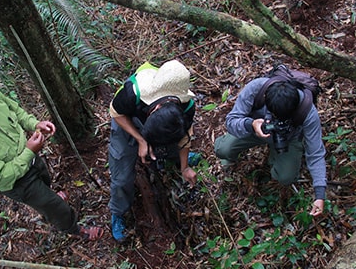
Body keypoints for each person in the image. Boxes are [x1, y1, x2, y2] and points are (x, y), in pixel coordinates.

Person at [0, 66, 103, 240]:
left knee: (45, 179)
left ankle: (47, 202)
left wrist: (34, 124)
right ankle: (74, 229)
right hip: (17, 182)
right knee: (54, 205)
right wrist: (29, 151)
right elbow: (0, 177)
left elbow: (16, 111)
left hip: (31, 157)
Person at [108, 59, 198, 242]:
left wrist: (185, 167)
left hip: (161, 125)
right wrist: (141, 140)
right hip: (128, 119)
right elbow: (115, 112)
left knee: (170, 142)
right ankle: (118, 213)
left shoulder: (187, 106)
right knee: (122, 177)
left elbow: (184, 135)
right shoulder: (133, 92)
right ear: (155, 107)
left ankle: (172, 157)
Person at [214, 73, 326, 217]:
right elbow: (231, 121)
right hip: (255, 129)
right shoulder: (256, 89)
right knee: (222, 149)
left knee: (286, 177)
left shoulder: (307, 111)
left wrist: (320, 194)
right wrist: (251, 124)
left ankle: (276, 161)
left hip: (288, 138)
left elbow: (315, 153)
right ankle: (232, 153)